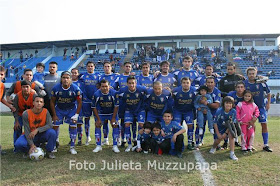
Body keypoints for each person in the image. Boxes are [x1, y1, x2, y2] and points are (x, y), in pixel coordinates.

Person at [50, 71, 82, 154]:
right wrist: (54, 115)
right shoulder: (56, 88)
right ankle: (54, 145)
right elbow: (52, 102)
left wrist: (76, 115)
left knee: (73, 126)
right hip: (59, 109)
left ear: (71, 79)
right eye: (64, 78)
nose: (65, 79)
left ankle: (72, 147)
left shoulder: (75, 89)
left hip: (71, 110)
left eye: (67, 78)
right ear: (61, 79)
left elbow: (80, 102)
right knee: (55, 126)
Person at [244, 67, 273, 152]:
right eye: (250, 74)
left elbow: (268, 93)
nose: (252, 75)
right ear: (247, 75)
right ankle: (250, 145)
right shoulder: (245, 83)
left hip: (260, 107)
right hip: (249, 108)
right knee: (250, 125)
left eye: (253, 73)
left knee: (264, 124)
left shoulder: (262, 82)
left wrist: (268, 103)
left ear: (256, 74)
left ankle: (266, 145)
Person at [118, 76, 147, 152]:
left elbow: (151, 91)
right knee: (127, 124)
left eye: (133, 83)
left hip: (140, 110)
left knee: (141, 125)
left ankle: (139, 143)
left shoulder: (141, 89)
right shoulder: (122, 91)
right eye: (130, 83)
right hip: (129, 110)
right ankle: (129, 144)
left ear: (136, 83)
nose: (131, 85)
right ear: (127, 84)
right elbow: (116, 96)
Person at [92, 79, 120, 153]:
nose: (104, 88)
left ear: (109, 86)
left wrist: (113, 118)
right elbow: (94, 107)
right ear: (100, 87)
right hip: (101, 113)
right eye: (103, 86)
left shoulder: (114, 93)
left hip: (111, 113)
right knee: (97, 125)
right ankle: (98, 145)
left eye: (106, 86)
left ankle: (115, 145)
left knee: (115, 125)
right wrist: (98, 119)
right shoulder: (96, 94)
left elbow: (116, 106)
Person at [209, 96, 238, 161]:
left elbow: (231, 123)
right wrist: (218, 133)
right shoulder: (219, 111)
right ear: (223, 104)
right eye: (227, 103)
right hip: (219, 127)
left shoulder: (233, 111)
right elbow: (215, 123)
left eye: (230, 103)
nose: (228, 105)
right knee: (218, 139)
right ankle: (214, 147)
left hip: (228, 128)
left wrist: (226, 133)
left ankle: (232, 153)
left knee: (231, 135)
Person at [195, 76, 221, 147]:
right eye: (208, 82)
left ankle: (216, 142)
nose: (210, 84)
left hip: (212, 111)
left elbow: (217, 105)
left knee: (215, 127)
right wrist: (201, 107)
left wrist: (207, 104)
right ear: (206, 83)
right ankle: (198, 141)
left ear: (214, 83)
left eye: (211, 82)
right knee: (200, 125)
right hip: (201, 111)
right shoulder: (200, 91)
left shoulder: (217, 91)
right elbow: (196, 101)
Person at [172, 77, 196, 150]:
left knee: (190, 125)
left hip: (188, 111)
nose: (186, 84)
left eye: (187, 83)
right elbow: (171, 100)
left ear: (190, 83)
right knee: (176, 126)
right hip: (177, 111)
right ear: (181, 83)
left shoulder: (194, 91)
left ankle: (190, 142)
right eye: (184, 83)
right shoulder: (176, 91)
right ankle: (175, 142)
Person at [80, 61, 100, 145]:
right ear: (86, 67)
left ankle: (97, 138)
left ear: (94, 67)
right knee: (87, 119)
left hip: (95, 101)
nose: (90, 67)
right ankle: (87, 137)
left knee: (97, 119)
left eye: (91, 66)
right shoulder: (82, 76)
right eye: (88, 66)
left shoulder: (98, 76)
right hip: (86, 101)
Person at [98, 62, 119, 145]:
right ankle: (106, 139)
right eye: (105, 66)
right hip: (103, 103)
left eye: (108, 66)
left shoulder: (116, 76)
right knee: (105, 122)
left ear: (111, 67)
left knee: (116, 122)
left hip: (113, 102)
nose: (107, 68)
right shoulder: (100, 77)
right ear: (103, 68)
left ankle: (118, 139)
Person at [13, 80, 37, 147]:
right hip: (21, 115)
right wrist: (17, 121)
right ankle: (16, 146)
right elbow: (15, 109)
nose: (25, 89)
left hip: (32, 116)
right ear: (21, 87)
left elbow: (38, 108)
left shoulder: (34, 96)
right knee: (17, 127)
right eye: (23, 87)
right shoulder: (17, 96)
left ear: (30, 87)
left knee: (34, 129)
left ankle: (36, 144)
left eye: (27, 87)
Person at [0, 66, 16, 155]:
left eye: (1, 74)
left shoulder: (2, 85)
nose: (0, 76)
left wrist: (10, 106)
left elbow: (1, 99)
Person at [71, 68, 85, 145]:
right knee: (71, 123)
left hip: (79, 105)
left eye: (75, 73)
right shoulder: (68, 82)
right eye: (72, 73)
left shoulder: (81, 82)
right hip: (71, 106)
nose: (74, 74)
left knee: (79, 123)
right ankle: (72, 138)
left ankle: (80, 139)